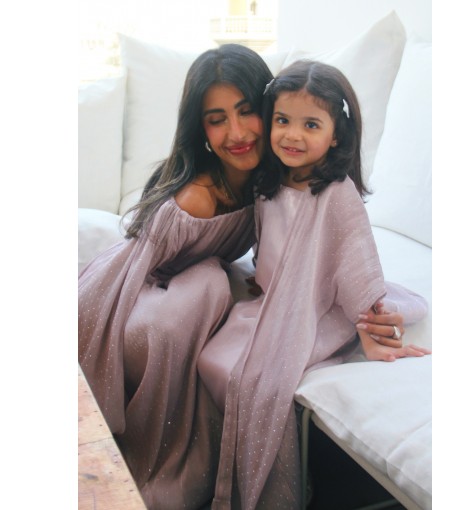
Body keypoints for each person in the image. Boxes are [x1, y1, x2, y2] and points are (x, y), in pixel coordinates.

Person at [198, 60, 430, 509]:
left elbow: (357, 266)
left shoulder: (336, 193)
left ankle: (271, 485)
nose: (293, 135)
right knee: (213, 359)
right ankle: (220, 467)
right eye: (283, 120)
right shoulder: (269, 183)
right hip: (271, 300)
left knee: (259, 381)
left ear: (335, 134)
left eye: (311, 125)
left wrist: (372, 334)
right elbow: (268, 243)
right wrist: (263, 278)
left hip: (317, 307)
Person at [78, 44, 273, 510]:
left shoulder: (266, 180)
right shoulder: (197, 199)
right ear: (201, 130)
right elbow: (133, 273)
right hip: (129, 297)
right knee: (208, 284)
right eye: (217, 119)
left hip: (173, 285)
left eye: (246, 111)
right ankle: (151, 465)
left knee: (212, 281)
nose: (237, 133)